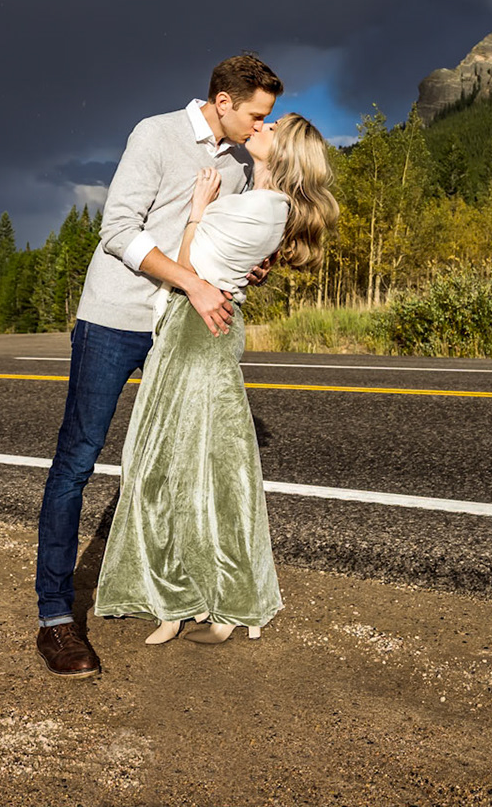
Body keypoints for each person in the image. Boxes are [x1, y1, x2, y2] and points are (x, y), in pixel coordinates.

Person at [34, 53, 282, 679]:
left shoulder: (242, 164)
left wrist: (245, 265)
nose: (261, 127)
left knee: (180, 464)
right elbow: (118, 230)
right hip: (116, 319)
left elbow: (223, 240)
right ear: (223, 101)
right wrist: (194, 283)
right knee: (79, 460)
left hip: (181, 330)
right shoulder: (156, 134)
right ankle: (56, 619)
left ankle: (174, 590)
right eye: (256, 115)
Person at [92, 113, 338, 645]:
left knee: (172, 465)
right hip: (206, 331)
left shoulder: (256, 207)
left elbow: (189, 269)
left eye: (274, 127)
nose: (263, 125)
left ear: (284, 152)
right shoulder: (264, 203)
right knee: (203, 464)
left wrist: (197, 212)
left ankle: (195, 599)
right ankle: (205, 600)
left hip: (193, 332)